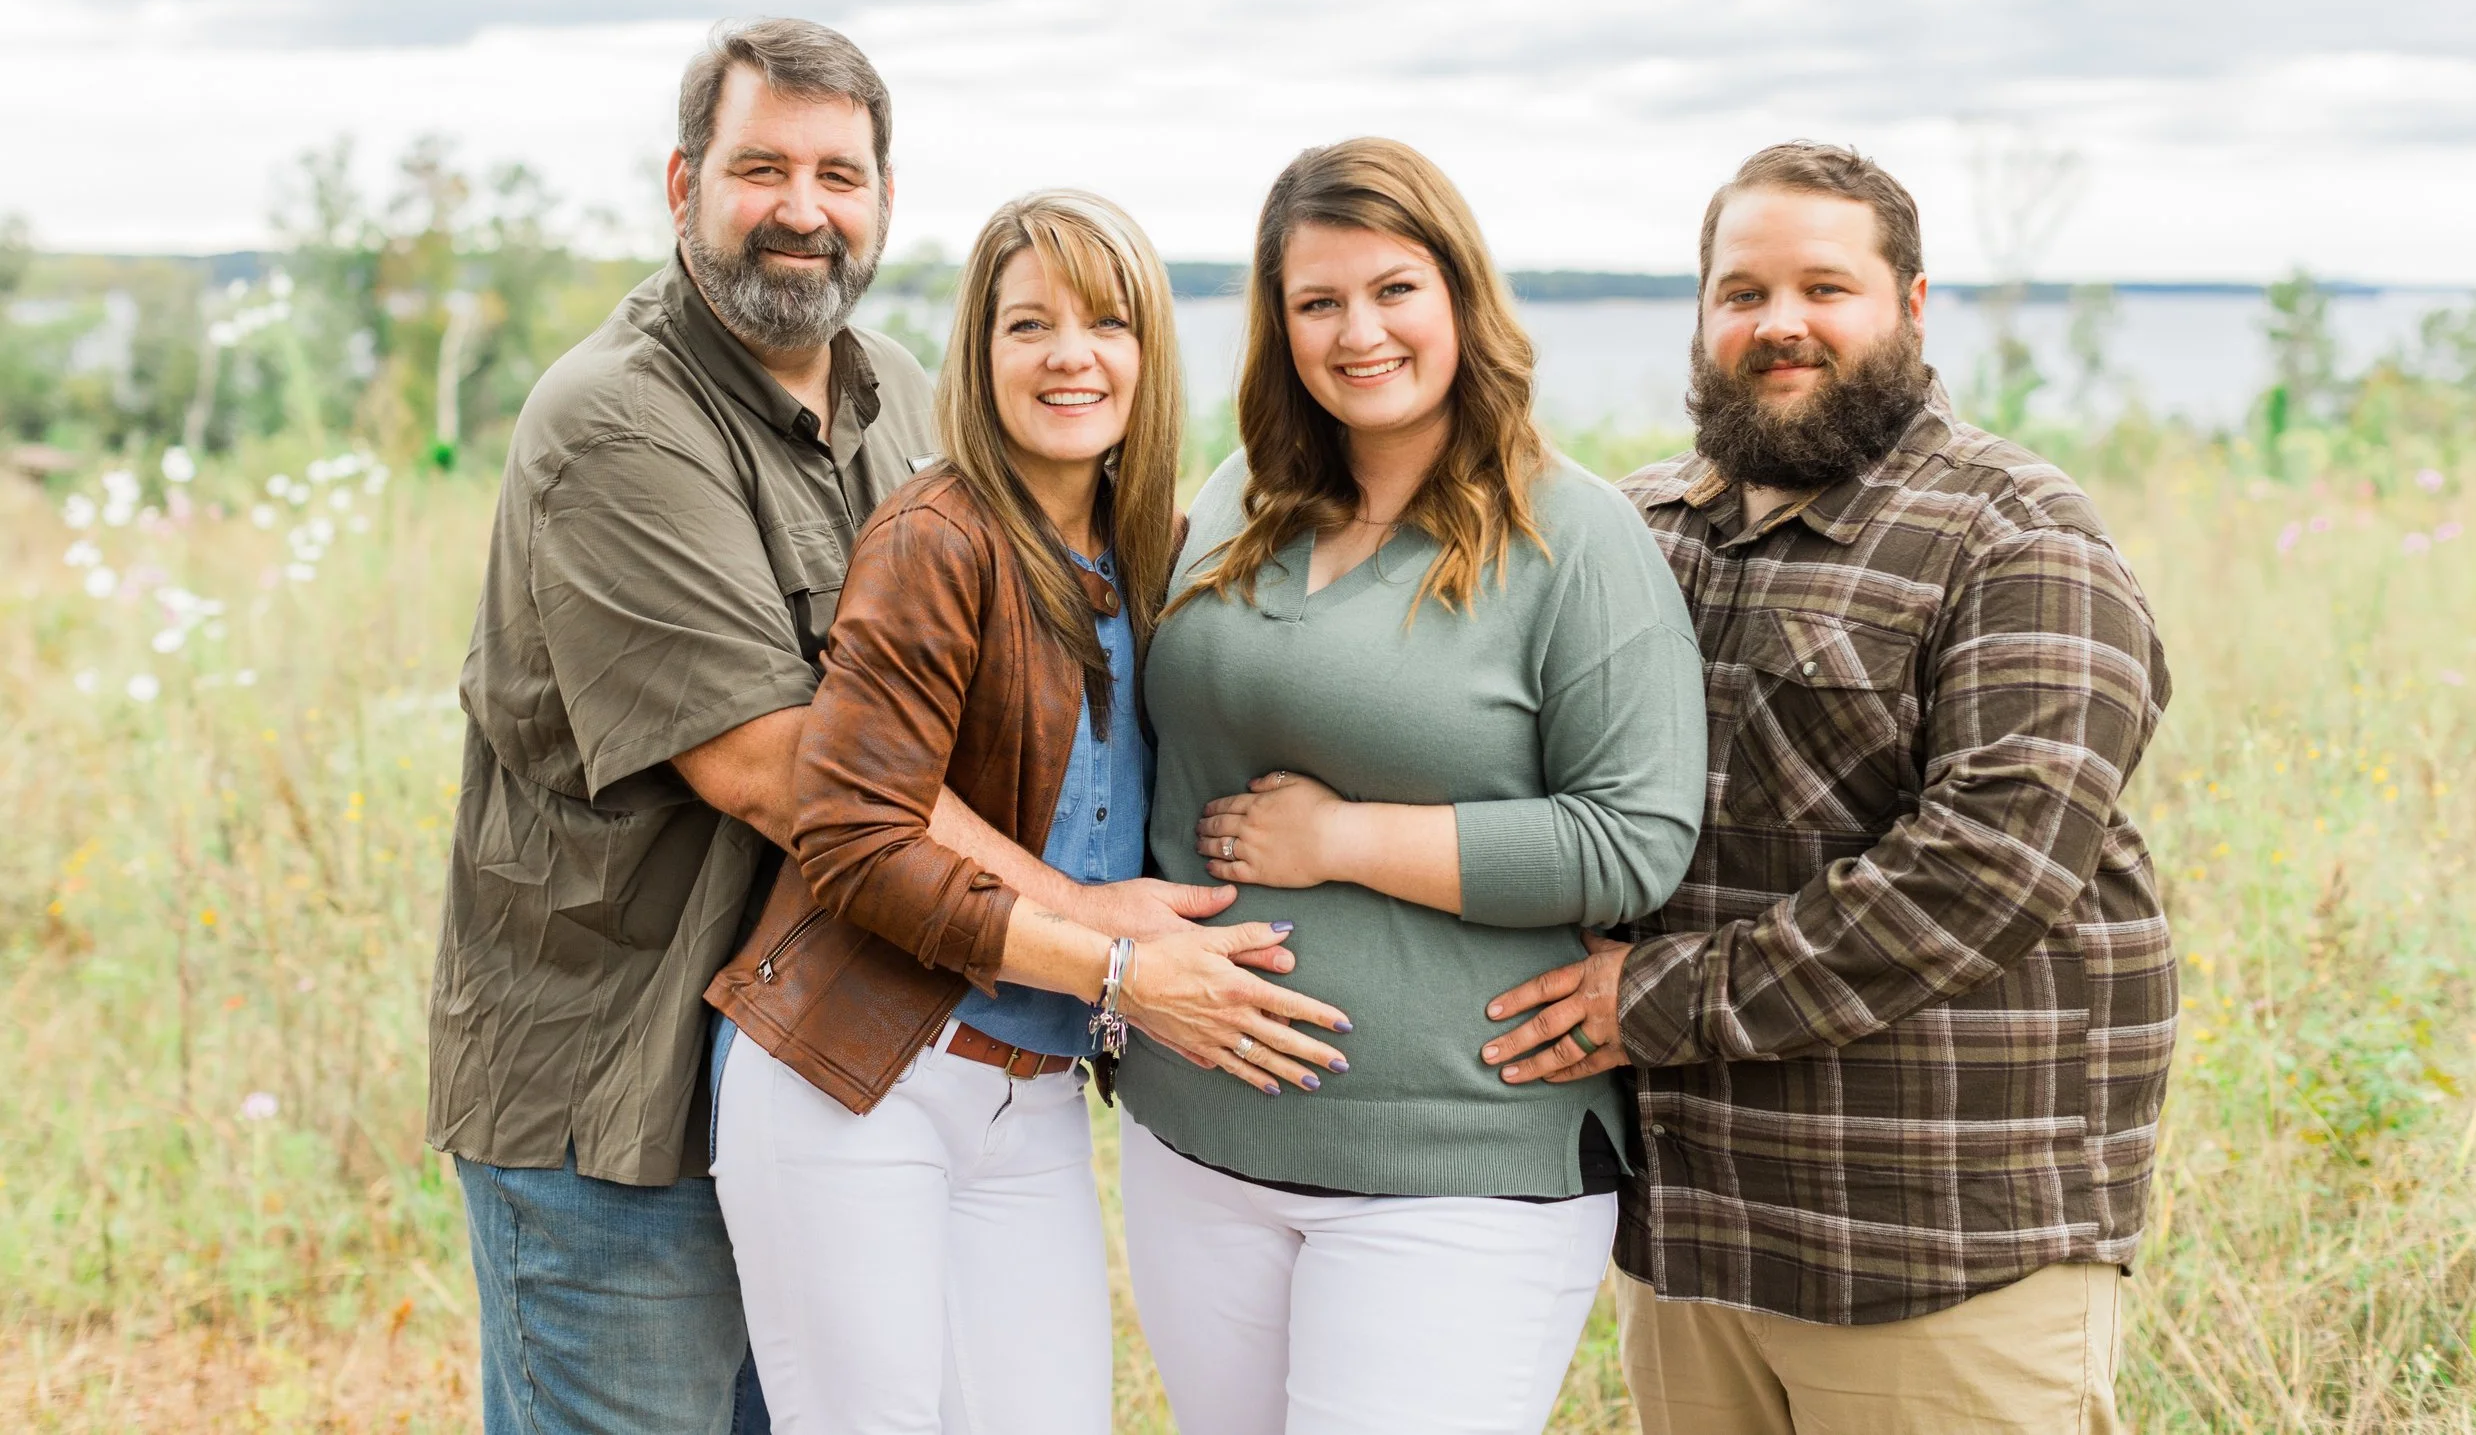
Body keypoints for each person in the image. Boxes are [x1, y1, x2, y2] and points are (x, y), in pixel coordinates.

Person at [427, 21, 1211, 1434]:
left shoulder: (908, 396)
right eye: (761, 167)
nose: (803, 209)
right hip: (623, 1083)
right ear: (683, 185)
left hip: (857, 1037)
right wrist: (1105, 936)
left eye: (839, 173)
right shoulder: (616, 424)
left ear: (885, 197)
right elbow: (789, 772)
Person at [1482, 142, 2175, 1434]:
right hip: (1693, 1250)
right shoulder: (1630, 533)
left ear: (1911, 306)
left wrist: (1653, 997)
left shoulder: (2018, 535)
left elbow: (1989, 866)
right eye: (1741, 291)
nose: (1779, 322)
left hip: (1937, 1254)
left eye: (1824, 287)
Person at [703, 189, 1353, 1435]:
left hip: (1033, 1085)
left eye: (1106, 322)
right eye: (1028, 325)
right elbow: (853, 838)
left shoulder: (1156, 548)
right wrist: (1117, 964)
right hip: (858, 1068)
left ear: (1148, 353)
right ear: (979, 354)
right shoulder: (935, 537)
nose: (1070, 354)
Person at [1115, 137, 1708, 1435]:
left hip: (1456, 1165)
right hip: (1194, 1139)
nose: (1358, 330)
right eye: (1317, 301)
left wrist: (1340, 835)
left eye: (1393, 289)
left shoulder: (1574, 537)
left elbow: (1633, 842)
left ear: (1460, 296)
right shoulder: (1235, 501)